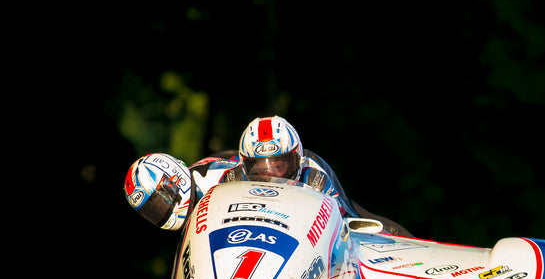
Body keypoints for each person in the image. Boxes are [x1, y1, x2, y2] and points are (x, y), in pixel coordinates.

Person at [125, 116, 411, 237]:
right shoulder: (215, 176)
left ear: (296, 158)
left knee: (360, 221)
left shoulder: (315, 174)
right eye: (258, 166)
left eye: (280, 163)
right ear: (242, 162)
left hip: (301, 231)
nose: (270, 173)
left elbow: (344, 226)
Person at [123, 152, 238, 230]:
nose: (159, 212)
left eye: (158, 201)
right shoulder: (188, 223)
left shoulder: (214, 175)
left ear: (173, 178)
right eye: (151, 211)